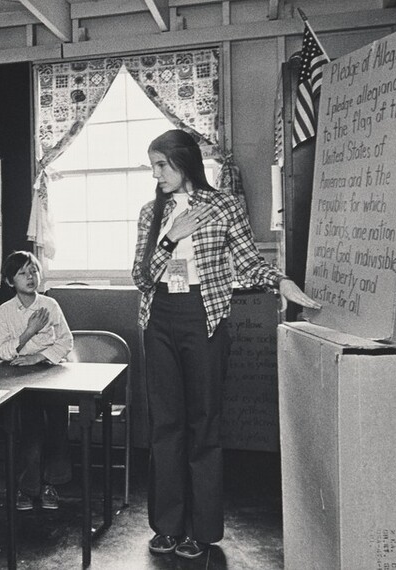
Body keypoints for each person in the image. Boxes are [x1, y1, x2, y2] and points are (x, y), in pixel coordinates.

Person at [132, 130, 320, 559]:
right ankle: (167, 526)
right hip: (158, 317)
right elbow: (141, 278)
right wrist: (171, 236)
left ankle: (201, 530)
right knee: (165, 425)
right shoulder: (151, 211)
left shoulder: (224, 205)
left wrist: (281, 281)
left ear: (185, 162)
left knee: (204, 424)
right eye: (153, 165)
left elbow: (250, 262)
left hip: (205, 318)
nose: (157, 174)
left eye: (163, 164)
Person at [0, 250, 73, 510]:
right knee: (29, 430)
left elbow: (66, 341)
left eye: (34, 271)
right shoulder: (5, 311)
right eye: (22, 273)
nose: (30, 277)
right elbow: (4, 351)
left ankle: (51, 484)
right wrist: (29, 332)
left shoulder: (50, 305)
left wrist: (39, 357)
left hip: (51, 372)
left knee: (57, 427)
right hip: (20, 378)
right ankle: (27, 488)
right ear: (9, 281)